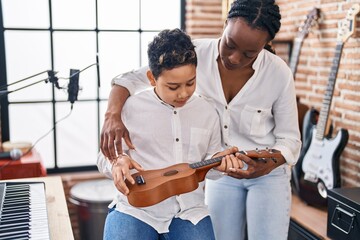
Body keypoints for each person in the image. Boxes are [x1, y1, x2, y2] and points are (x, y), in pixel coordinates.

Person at [100, 0, 302, 239]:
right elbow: (129, 80)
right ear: (225, 23)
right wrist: (112, 117)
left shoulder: (278, 73)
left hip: (266, 174)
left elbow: (290, 139)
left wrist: (268, 164)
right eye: (230, 45)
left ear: (266, 44)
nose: (235, 58)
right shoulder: (191, 54)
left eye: (249, 53)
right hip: (219, 172)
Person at [97, 28, 241, 240]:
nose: (183, 93)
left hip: (189, 211)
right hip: (136, 208)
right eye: (173, 86)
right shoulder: (130, 107)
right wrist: (117, 162)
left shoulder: (208, 112)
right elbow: (103, 157)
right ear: (152, 78)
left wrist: (220, 165)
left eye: (190, 83)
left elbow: (211, 166)